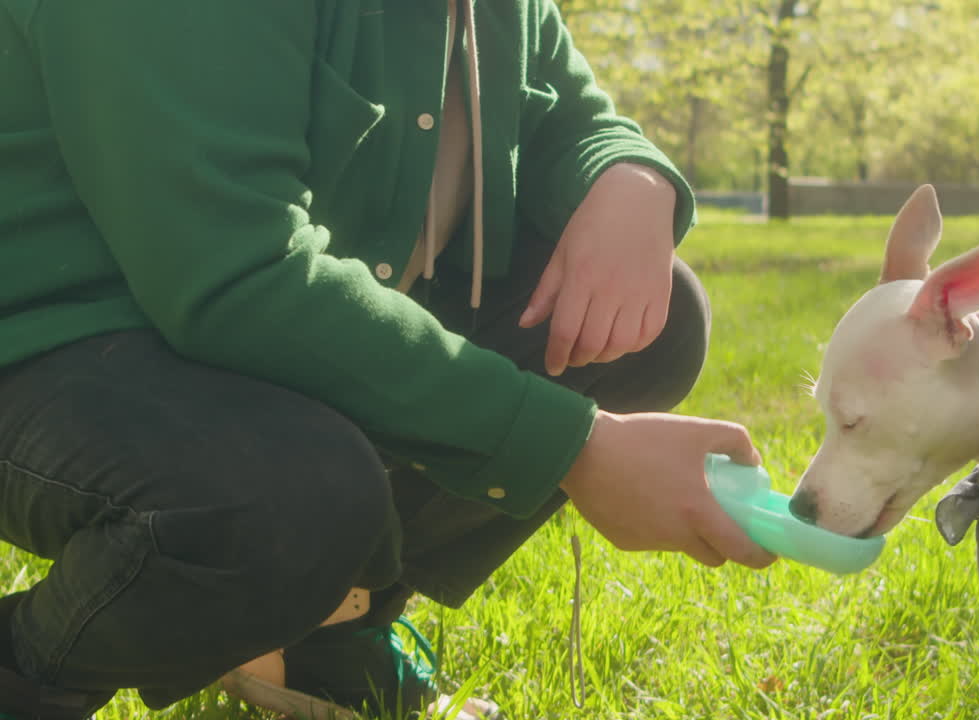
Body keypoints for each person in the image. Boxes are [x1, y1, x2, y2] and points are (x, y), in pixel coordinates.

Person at [0, 0, 775, 718]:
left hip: (238, 325)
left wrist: (629, 177)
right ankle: (23, 670)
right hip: (51, 344)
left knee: (649, 317)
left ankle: (325, 633)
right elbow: (232, 273)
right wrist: (573, 446)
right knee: (297, 496)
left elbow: (559, 113)